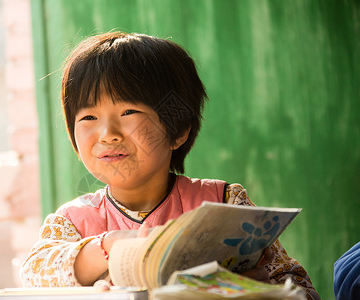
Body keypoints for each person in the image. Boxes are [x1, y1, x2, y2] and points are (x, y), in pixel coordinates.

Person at [20, 32, 319, 299]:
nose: (107, 133)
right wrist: (111, 246)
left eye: (128, 111)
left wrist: (259, 289)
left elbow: (299, 287)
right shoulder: (72, 222)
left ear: (177, 130)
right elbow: (34, 274)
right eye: (88, 117)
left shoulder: (227, 202)